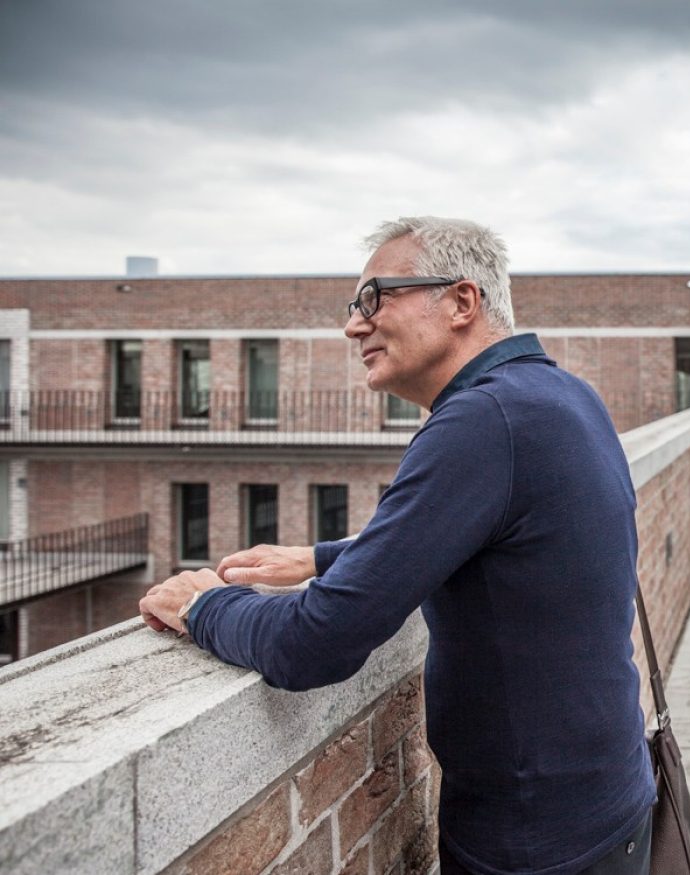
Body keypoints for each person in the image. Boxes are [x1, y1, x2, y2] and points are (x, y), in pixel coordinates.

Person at [139, 217, 656, 875]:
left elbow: (316, 642)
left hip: (537, 841)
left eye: (375, 297)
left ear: (462, 302)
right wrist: (324, 557)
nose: (355, 324)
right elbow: (496, 531)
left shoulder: (479, 421)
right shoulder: (561, 393)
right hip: (606, 800)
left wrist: (203, 605)